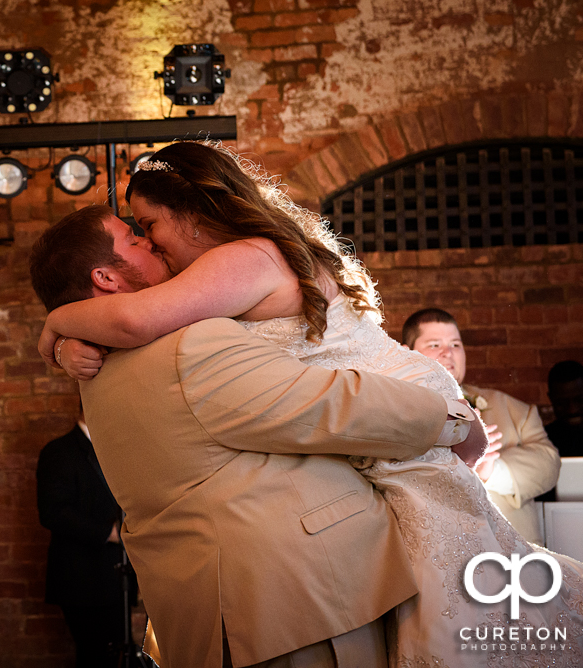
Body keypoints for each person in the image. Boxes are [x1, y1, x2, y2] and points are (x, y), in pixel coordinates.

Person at [34, 141, 583, 666]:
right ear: (104, 277)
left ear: (194, 213)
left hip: (389, 390)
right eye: (138, 237)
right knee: (442, 580)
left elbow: (136, 320)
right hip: (289, 598)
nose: (150, 243)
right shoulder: (181, 340)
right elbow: (325, 406)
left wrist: (57, 327)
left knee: (448, 568)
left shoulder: (118, 356)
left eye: (148, 226)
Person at [401, 308, 560, 543]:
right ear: (408, 354)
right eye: (434, 345)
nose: (448, 353)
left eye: (456, 344)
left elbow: (549, 463)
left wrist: (492, 472)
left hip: (514, 562)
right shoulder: (395, 415)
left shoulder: (514, 410)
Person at [36, 408, 134, 667]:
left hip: (117, 577)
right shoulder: (58, 451)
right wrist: (109, 533)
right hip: (80, 578)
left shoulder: (118, 450)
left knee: (117, 656)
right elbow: (52, 512)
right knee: (95, 657)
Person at [546, 360, 583, 457]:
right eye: (561, 403)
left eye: (579, 400)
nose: (572, 410)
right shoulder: (543, 440)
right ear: (551, 399)